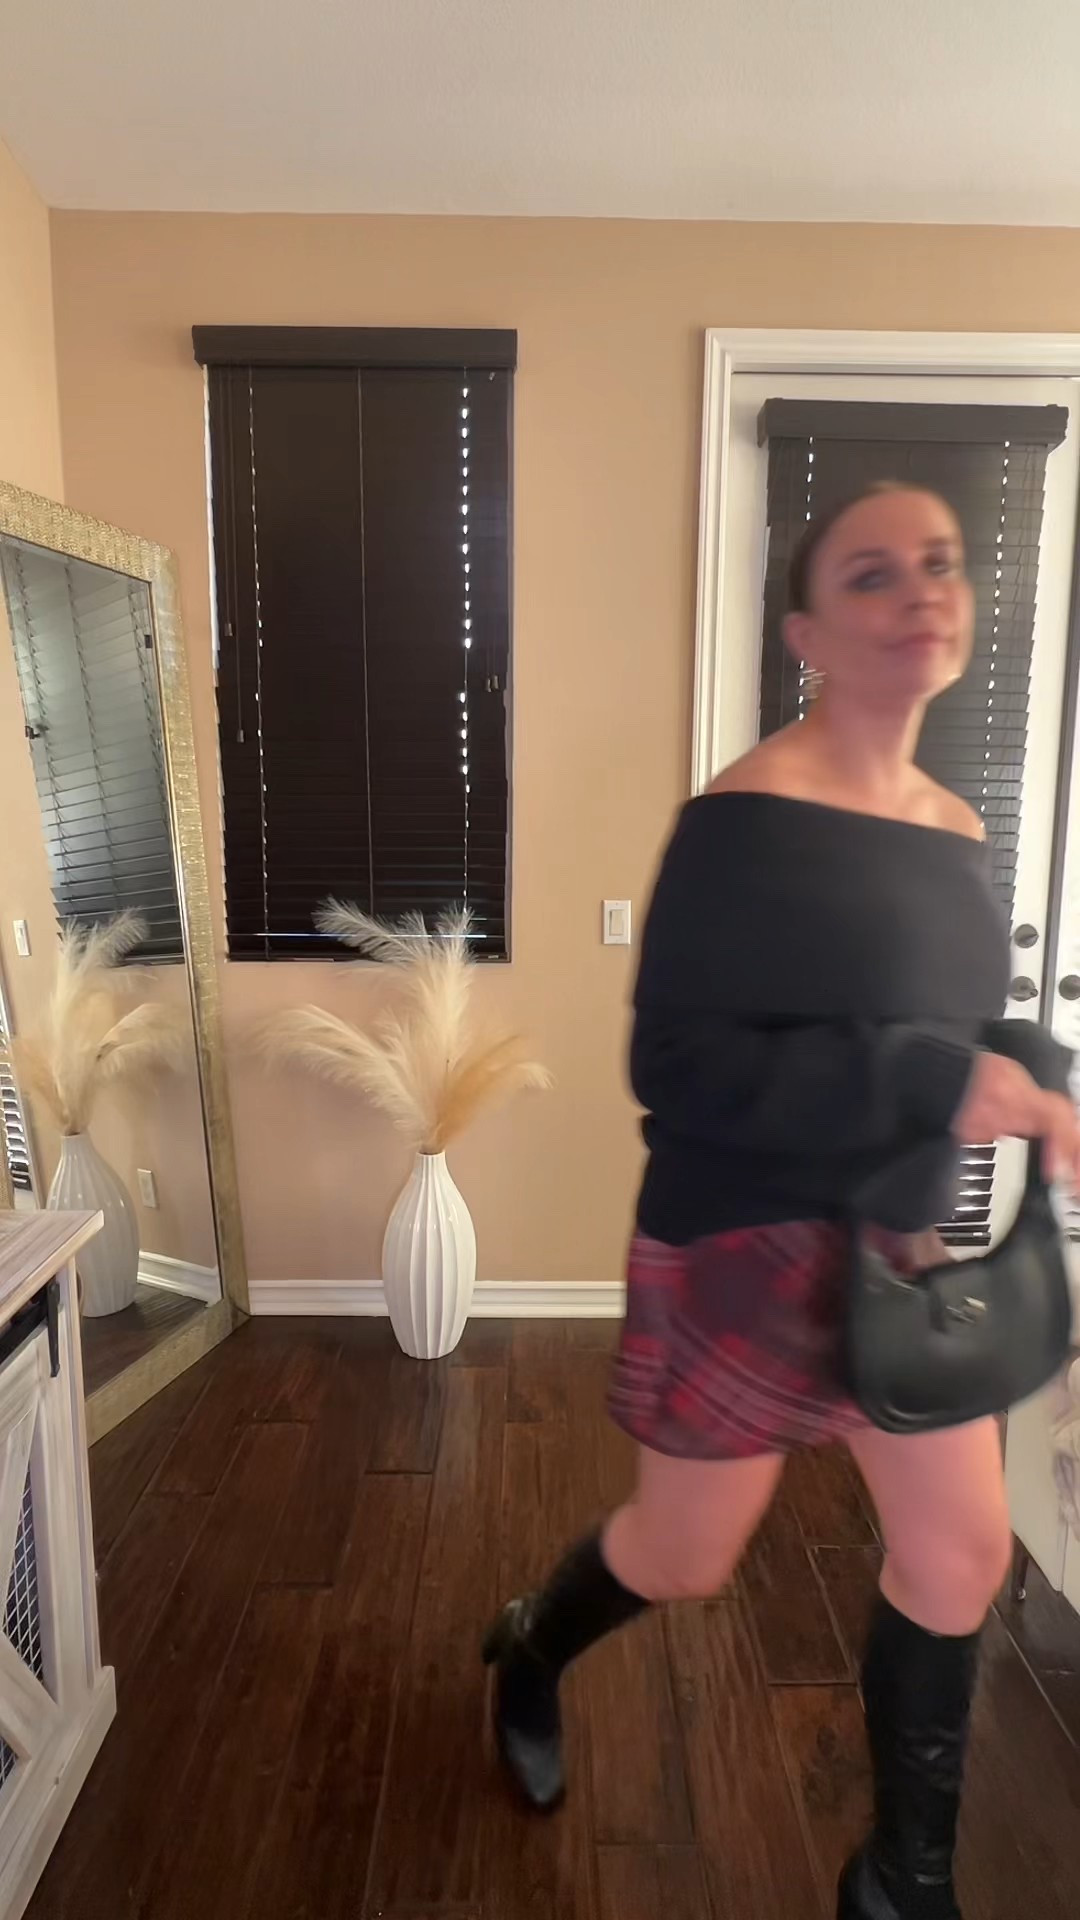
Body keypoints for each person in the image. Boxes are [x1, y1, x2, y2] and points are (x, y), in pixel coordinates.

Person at [483, 482, 1080, 1920]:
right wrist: (935, 1076)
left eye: (941, 563)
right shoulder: (741, 820)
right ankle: (529, 1646)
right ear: (806, 633)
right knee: (686, 1558)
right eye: (872, 574)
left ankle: (900, 1886)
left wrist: (1031, 1072)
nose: (920, 591)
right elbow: (678, 1068)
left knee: (960, 1552)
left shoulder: (954, 825)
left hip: (903, 1250)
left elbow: (940, 1029)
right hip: (743, 1247)